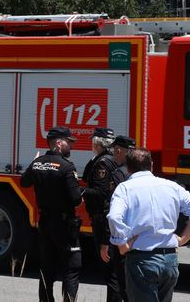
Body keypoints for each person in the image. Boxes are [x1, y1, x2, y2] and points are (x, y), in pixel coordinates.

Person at [108, 148, 190, 302]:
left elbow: (114, 217)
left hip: (142, 260)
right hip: (169, 260)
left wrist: (121, 244)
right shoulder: (172, 186)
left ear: (127, 168)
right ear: (151, 165)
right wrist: (183, 239)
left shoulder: (125, 188)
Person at [22, 126, 83, 302]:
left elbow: (24, 182)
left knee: (46, 268)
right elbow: (76, 199)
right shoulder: (66, 166)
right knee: (72, 267)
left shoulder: (37, 163)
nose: (71, 146)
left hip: (45, 223)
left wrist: (33, 164)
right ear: (58, 143)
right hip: (64, 225)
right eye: (69, 142)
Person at [82, 127, 123, 302]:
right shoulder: (108, 160)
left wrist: (81, 192)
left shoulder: (103, 163)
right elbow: (87, 177)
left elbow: (101, 193)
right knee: (113, 271)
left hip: (102, 219)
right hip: (105, 218)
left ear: (97, 144)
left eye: (93, 142)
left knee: (110, 272)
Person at [108, 135, 136, 300]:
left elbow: (114, 211)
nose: (113, 154)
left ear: (119, 150)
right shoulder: (144, 172)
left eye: (114, 151)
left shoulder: (119, 174)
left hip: (124, 237)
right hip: (140, 235)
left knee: (122, 283)